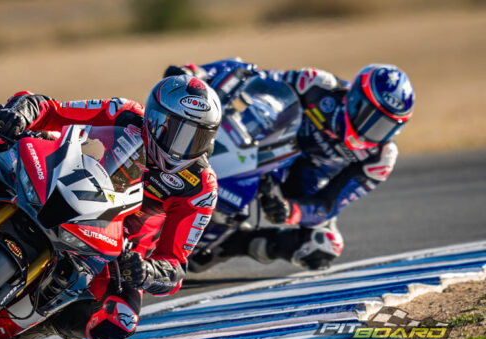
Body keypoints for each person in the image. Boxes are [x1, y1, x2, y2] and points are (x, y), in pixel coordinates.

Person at [0, 75, 222, 339]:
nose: (184, 148)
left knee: (119, 324)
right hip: (70, 188)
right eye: (177, 133)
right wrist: (21, 114)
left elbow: (175, 264)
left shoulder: (201, 186)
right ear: (155, 120)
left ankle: (38, 325)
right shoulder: (125, 113)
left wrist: (145, 272)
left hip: (118, 248)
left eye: (198, 138)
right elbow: (51, 109)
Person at [165, 58, 414, 270]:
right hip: (267, 149)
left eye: (387, 127)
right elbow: (252, 76)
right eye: (372, 119)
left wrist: (290, 209)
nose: (375, 132)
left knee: (322, 246)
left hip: (304, 185)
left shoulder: (380, 158)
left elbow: (327, 205)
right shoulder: (318, 84)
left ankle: (236, 244)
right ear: (357, 99)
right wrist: (197, 74)